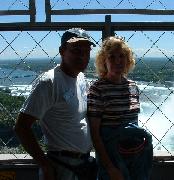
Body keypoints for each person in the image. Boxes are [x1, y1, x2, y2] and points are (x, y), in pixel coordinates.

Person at [14, 28, 96, 180]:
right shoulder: (49, 82)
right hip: (61, 166)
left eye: (87, 51)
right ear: (62, 51)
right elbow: (21, 127)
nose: (83, 56)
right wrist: (44, 164)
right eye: (76, 50)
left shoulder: (81, 78)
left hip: (83, 164)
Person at [87, 36, 153, 180]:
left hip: (136, 157)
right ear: (104, 61)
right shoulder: (98, 89)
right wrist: (110, 168)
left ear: (128, 59)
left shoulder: (132, 86)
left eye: (122, 56)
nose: (118, 61)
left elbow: (133, 124)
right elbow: (95, 134)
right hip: (112, 161)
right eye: (112, 57)